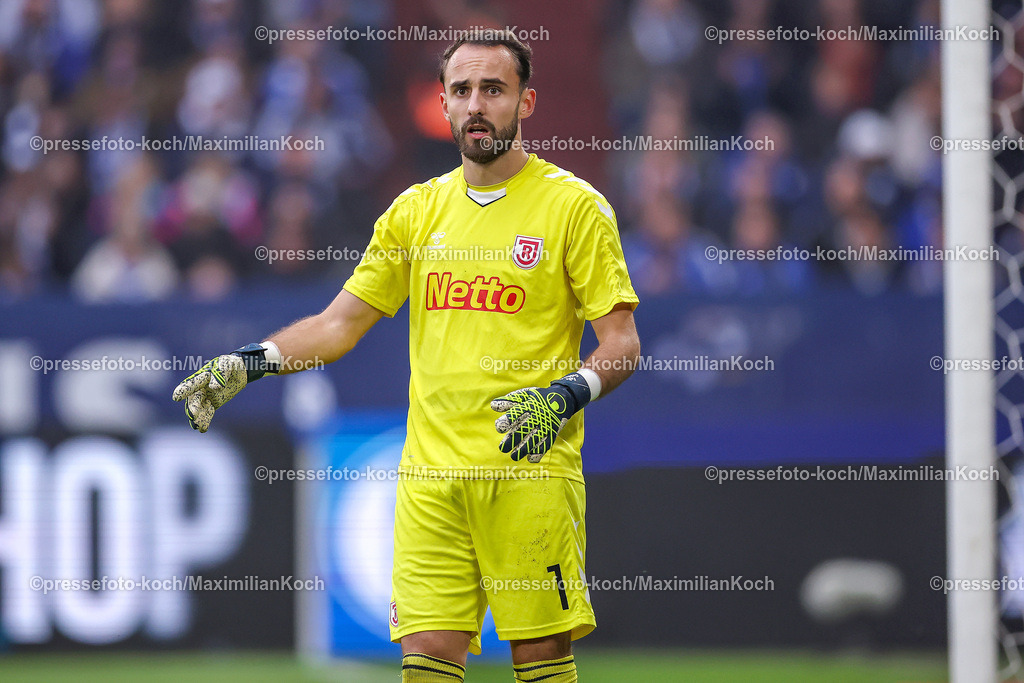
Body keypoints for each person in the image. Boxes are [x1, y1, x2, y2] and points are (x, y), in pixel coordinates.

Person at [172, 30, 640, 683]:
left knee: (540, 663)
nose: (476, 105)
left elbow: (622, 344)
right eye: (462, 90)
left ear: (526, 102)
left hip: (529, 474)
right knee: (426, 664)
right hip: (430, 480)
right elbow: (338, 325)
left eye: (494, 89)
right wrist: (246, 363)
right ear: (442, 104)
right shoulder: (415, 213)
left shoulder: (574, 208)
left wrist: (565, 395)